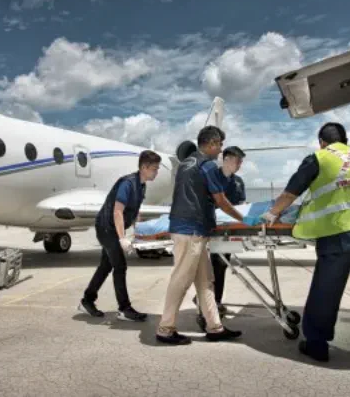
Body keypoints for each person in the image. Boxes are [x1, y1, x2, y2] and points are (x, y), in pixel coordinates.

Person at [248, 122, 350, 366]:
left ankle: (317, 346)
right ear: (345, 140)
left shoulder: (317, 158)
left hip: (338, 236)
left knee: (325, 294)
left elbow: (290, 194)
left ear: (322, 142)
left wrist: (271, 214)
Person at [155, 126, 245, 345]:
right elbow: (221, 200)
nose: (221, 149)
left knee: (206, 282)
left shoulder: (187, 163)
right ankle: (165, 329)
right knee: (181, 280)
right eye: (220, 145)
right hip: (191, 230)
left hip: (189, 228)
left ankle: (215, 327)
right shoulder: (207, 166)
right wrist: (244, 219)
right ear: (212, 143)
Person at [79, 150, 162, 322]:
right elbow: (118, 211)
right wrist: (122, 237)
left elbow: (133, 211)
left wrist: (134, 232)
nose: (157, 172)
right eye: (154, 168)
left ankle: (87, 300)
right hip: (106, 228)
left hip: (113, 228)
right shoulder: (127, 183)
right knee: (120, 266)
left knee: (106, 266)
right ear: (144, 167)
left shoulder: (141, 185)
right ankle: (124, 309)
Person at [192, 145, 246, 318]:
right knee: (212, 267)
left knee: (222, 265)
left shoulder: (238, 182)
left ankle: (215, 302)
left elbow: (241, 207)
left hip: (230, 231)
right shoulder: (212, 177)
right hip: (211, 229)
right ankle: (209, 303)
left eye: (241, 162)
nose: (240, 165)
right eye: (238, 161)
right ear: (227, 159)